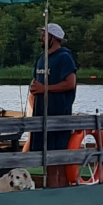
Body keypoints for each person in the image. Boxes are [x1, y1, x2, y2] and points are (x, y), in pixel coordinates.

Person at [29, 22, 78, 183]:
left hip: (58, 114)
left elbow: (71, 83)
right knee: (47, 160)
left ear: (54, 37)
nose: (41, 37)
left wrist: (45, 88)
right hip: (42, 114)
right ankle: (51, 192)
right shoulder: (41, 58)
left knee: (59, 159)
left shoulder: (64, 57)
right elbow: (37, 84)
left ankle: (61, 195)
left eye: (44, 34)